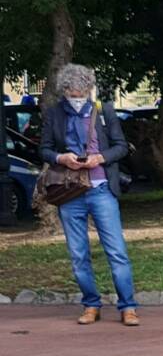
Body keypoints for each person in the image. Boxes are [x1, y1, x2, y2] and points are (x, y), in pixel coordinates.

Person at [40, 64, 139, 326]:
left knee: (116, 251)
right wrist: (62, 157)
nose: (77, 97)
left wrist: (100, 158)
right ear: (64, 92)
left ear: (89, 89)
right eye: (72, 93)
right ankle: (90, 304)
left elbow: (121, 147)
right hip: (70, 191)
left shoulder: (104, 111)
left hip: (102, 190)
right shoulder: (55, 113)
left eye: (82, 92)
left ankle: (128, 306)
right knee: (78, 254)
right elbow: (45, 149)